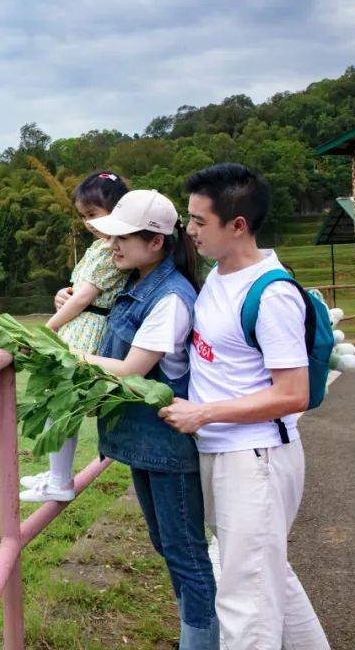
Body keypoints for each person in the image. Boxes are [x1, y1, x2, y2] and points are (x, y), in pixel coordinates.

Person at [160, 163, 330, 649]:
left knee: (244, 602)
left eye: (198, 222)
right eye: (187, 219)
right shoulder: (217, 276)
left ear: (238, 226)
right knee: (267, 575)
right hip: (225, 454)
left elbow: (292, 394)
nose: (189, 232)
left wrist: (202, 413)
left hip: (255, 458)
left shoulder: (272, 293)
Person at [78, 189, 219, 650]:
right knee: (166, 544)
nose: (112, 246)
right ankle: (196, 630)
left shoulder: (171, 297)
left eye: (122, 238)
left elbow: (131, 370)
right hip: (145, 439)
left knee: (184, 552)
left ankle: (201, 640)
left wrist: (67, 355)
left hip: (166, 441)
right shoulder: (139, 283)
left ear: (155, 242)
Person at [20, 172, 130, 502]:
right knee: (58, 405)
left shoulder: (114, 250)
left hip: (86, 333)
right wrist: (62, 293)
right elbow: (76, 291)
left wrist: (48, 328)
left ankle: (60, 480)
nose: (89, 223)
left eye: (94, 215)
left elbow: (85, 298)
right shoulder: (101, 247)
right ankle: (57, 474)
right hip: (78, 326)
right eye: (84, 217)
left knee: (62, 406)